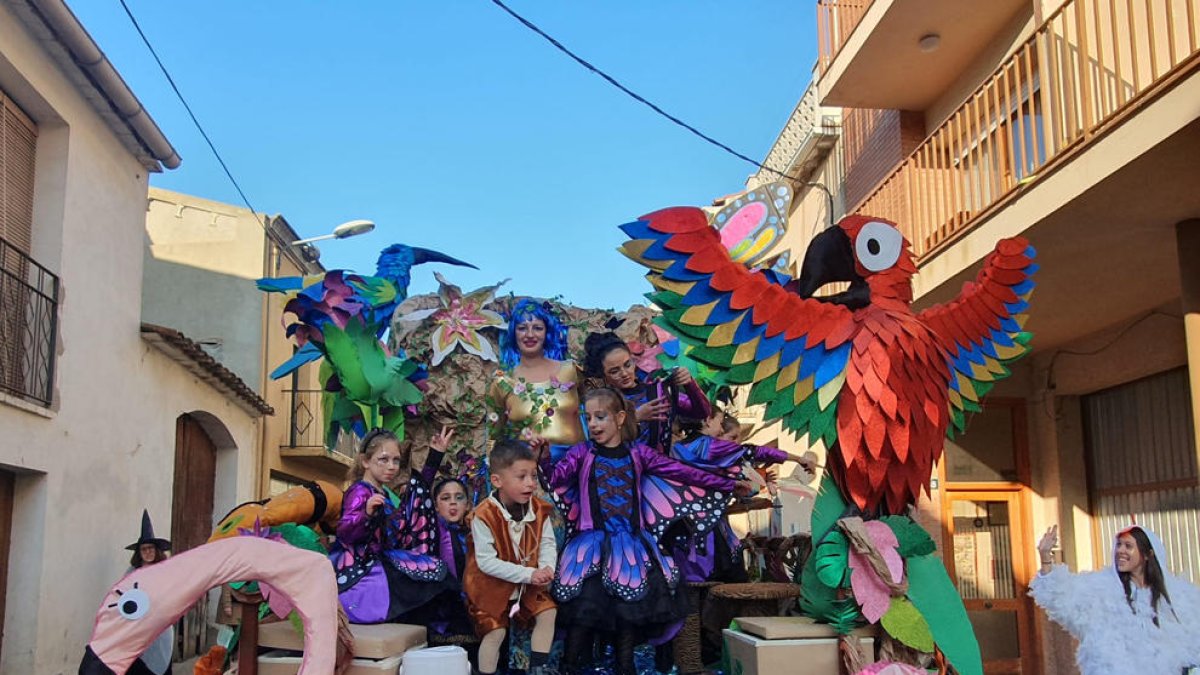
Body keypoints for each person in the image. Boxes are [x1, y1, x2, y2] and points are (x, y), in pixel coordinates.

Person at [541, 387, 753, 675]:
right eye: (588, 418)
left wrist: (727, 484)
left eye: (600, 417)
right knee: (583, 612)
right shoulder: (582, 453)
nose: (593, 424)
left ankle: (625, 667)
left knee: (629, 615)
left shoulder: (639, 454)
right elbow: (554, 480)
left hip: (632, 548)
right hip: (589, 549)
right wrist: (543, 457)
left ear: (620, 418)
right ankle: (569, 668)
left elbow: (685, 472)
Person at [1029, 523, 1200, 673]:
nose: (1120, 551)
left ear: (1148, 554)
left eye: (1128, 546)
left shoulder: (1179, 596)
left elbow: (1192, 639)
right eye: (1118, 545)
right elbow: (1060, 596)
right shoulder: (1101, 588)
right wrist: (1045, 557)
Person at [329, 429, 456, 624]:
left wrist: (434, 457)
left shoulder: (383, 493)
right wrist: (366, 513)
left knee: (435, 573)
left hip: (382, 559)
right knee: (430, 580)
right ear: (365, 461)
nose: (391, 466)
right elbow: (345, 533)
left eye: (396, 460)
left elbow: (411, 509)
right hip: (361, 569)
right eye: (384, 459)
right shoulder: (360, 491)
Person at [667, 415, 813, 584]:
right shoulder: (709, 446)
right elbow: (753, 451)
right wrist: (798, 459)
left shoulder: (677, 449)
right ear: (707, 420)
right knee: (725, 578)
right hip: (706, 532)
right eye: (720, 424)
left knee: (694, 583)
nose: (721, 429)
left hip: (681, 529)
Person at [463, 440, 558, 675]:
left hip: (528, 582)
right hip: (489, 585)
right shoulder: (483, 515)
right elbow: (486, 562)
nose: (530, 483)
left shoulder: (539, 510)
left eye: (533, 476)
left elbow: (547, 543)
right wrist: (530, 573)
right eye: (521, 477)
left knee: (547, 612)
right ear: (497, 481)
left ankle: (537, 669)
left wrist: (547, 567)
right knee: (495, 632)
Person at [583, 331, 711, 453]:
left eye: (627, 364)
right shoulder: (601, 404)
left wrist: (689, 384)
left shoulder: (657, 391)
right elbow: (596, 442)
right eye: (614, 371)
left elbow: (702, 412)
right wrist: (636, 417)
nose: (624, 373)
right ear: (603, 375)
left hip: (661, 464)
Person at [488, 299, 584, 455]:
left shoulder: (571, 371)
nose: (530, 334)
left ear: (547, 332)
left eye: (537, 328)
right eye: (522, 328)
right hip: (527, 467)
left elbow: (595, 412)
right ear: (513, 333)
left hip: (578, 466)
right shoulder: (502, 382)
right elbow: (493, 438)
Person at [124, 510, 173, 675]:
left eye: (151, 548)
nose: (148, 552)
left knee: (160, 662)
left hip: (160, 627)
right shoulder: (132, 573)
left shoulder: (165, 570)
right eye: (144, 549)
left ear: (156, 550)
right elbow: (123, 596)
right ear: (139, 552)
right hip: (138, 628)